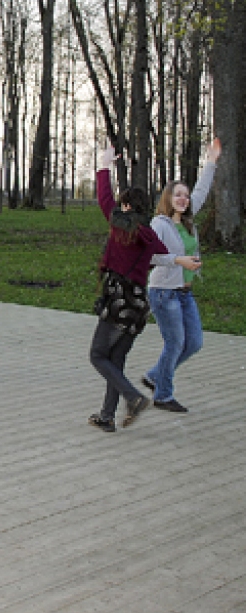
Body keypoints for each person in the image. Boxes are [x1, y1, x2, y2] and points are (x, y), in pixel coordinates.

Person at [87, 145, 170, 432]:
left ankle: (133, 398)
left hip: (118, 301)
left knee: (98, 355)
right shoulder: (149, 234)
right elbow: (163, 254)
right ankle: (107, 417)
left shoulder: (121, 226)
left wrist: (104, 165)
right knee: (116, 359)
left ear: (125, 207)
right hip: (138, 305)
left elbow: (103, 197)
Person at [142, 139, 220, 413]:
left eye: (185, 196)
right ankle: (163, 396)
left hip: (184, 292)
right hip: (164, 292)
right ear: (168, 198)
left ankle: (155, 375)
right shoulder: (159, 224)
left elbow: (201, 190)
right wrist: (178, 260)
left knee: (194, 343)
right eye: (178, 195)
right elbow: (149, 257)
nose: (183, 199)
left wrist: (211, 162)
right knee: (175, 344)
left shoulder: (187, 220)